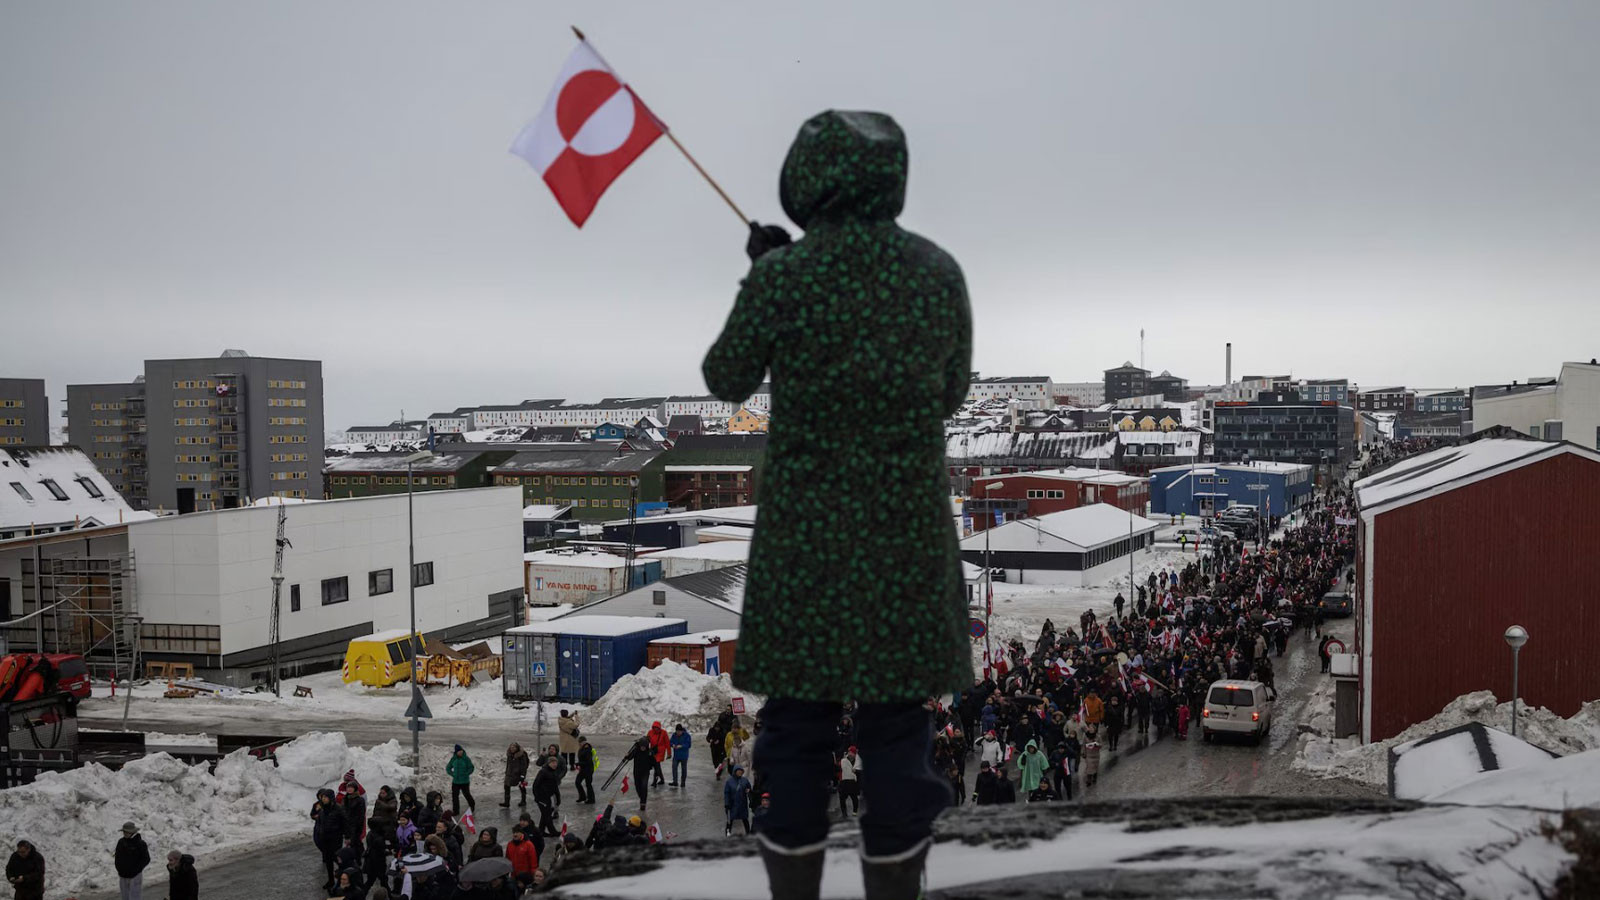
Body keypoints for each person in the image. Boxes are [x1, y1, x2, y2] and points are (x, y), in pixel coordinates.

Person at [706, 110, 970, 900]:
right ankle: (896, 884)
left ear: (805, 178)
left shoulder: (785, 278)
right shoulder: (937, 272)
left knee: (796, 724)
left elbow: (726, 376)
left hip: (805, 539)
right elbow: (951, 392)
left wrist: (765, 275)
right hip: (904, 533)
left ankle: (794, 886)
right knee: (898, 725)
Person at [311, 788, 347, 890]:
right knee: (328, 860)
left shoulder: (338, 809)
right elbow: (320, 823)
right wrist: (320, 833)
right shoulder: (322, 810)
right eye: (323, 797)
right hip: (325, 839)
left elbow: (345, 822)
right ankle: (331, 880)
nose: (323, 799)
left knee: (337, 858)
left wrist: (347, 835)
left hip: (335, 839)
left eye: (326, 797)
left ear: (330, 798)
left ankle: (344, 877)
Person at [113, 821, 150, 900]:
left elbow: (146, 859)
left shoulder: (140, 844)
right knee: (124, 897)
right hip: (123, 875)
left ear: (132, 832)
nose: (125, 833)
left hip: (135, 876)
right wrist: (119, 868)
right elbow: (117, 856)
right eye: (124, 832)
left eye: (127, 832)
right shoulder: (121, 842)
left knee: (135, 897)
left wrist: (136, 870)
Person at [532, 754, 563, 837]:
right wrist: (537, 797)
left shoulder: (553, 772)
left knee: (545, 814)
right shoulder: (543, 772)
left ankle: (540, 831)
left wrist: (558, 797)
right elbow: (535, 785)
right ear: (549, 763)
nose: (555, 764)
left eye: (556, 763)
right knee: (547, 815)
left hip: (548, 797)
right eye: (553, 763)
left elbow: (555, 787)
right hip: (542, 797)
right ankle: (553, 832)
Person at [624, 735, 655, 813]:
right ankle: (642, 798)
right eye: (641, 746)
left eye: (644, 747)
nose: (643, 748)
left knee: (644, 786)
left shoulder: (649, 752)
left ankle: (643, 803)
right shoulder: (636, 750)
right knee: (637, 786)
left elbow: (654, 763)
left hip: (645, 772)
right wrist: (626, 756)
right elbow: (630, 757)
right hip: (637, 772)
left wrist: (657, 772)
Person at [723, 765, 753, 837]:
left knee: (745, 820)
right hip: (732, 805)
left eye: (741, 771)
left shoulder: (745, 780)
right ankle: (727, 835)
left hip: (742, 804)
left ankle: (748, 835)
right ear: (735, 771)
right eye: (738, 771)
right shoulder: (729, 782)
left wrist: (749, 791)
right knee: (730, 821)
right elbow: (726, 793)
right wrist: (726, 804)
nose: (740, 772)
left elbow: (749, 789)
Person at [447, 745, 476, 814]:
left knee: (466, 794)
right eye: (459, 751)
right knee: (455, 796)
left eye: (461, 751)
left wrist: (467, 773)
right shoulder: (453, 759)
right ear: (456, 752)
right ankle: (456, 811)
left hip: (464, 781)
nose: (460, 752)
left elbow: (471, 767)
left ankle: (472, 805)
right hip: (456, 781)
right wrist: (452, 774)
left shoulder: (466, 759)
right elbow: (448, 768)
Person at [836, 745, 863, 817]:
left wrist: (856, 771)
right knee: (842, 798)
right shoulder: (843, 761)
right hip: (843, 782)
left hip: (853, 782)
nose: (850, 753)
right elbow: (838, 769)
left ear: (854, 753)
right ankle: (844, 813)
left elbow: (861, 772)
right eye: (849, 752)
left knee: (854, 798)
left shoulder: (858, 762)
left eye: (851, 752)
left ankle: (855, 812)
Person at [502, 742, 530, 808]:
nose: (512, 749)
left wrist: (523, 775)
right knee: (506, 786)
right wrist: (507, 772)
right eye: (511, 747)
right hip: (510, 773)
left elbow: (524, 766)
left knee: (522, 786)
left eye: (514, 747)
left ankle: (523, 800)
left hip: (519, 774)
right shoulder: (509, 754)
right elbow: (508, 764)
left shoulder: (522, 755)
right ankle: (506, 802)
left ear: (517, 748)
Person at [647, 721, 672, 787]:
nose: (656, 729)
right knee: (657, 766)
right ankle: (662, 779)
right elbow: (647, 741)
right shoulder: (650, 732)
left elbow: (667, 743)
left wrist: (669, 753)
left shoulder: (664, 733)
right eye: (655, 727)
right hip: (653, 751)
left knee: (656, 765)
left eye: (657, 728)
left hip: (660, 752)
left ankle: (654, 781)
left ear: (659, 727)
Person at [574, 738, 597, 804]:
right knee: (577, 782)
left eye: (579, 743)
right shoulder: (582, 749)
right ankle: (582, 797)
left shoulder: (587, 750)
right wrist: (579, 765)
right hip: (583, 769)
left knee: (588, 784)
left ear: (582, 743)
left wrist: (578, 764)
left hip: (588, 770)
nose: (578, 744)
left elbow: (587, 762)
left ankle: (591, 799)